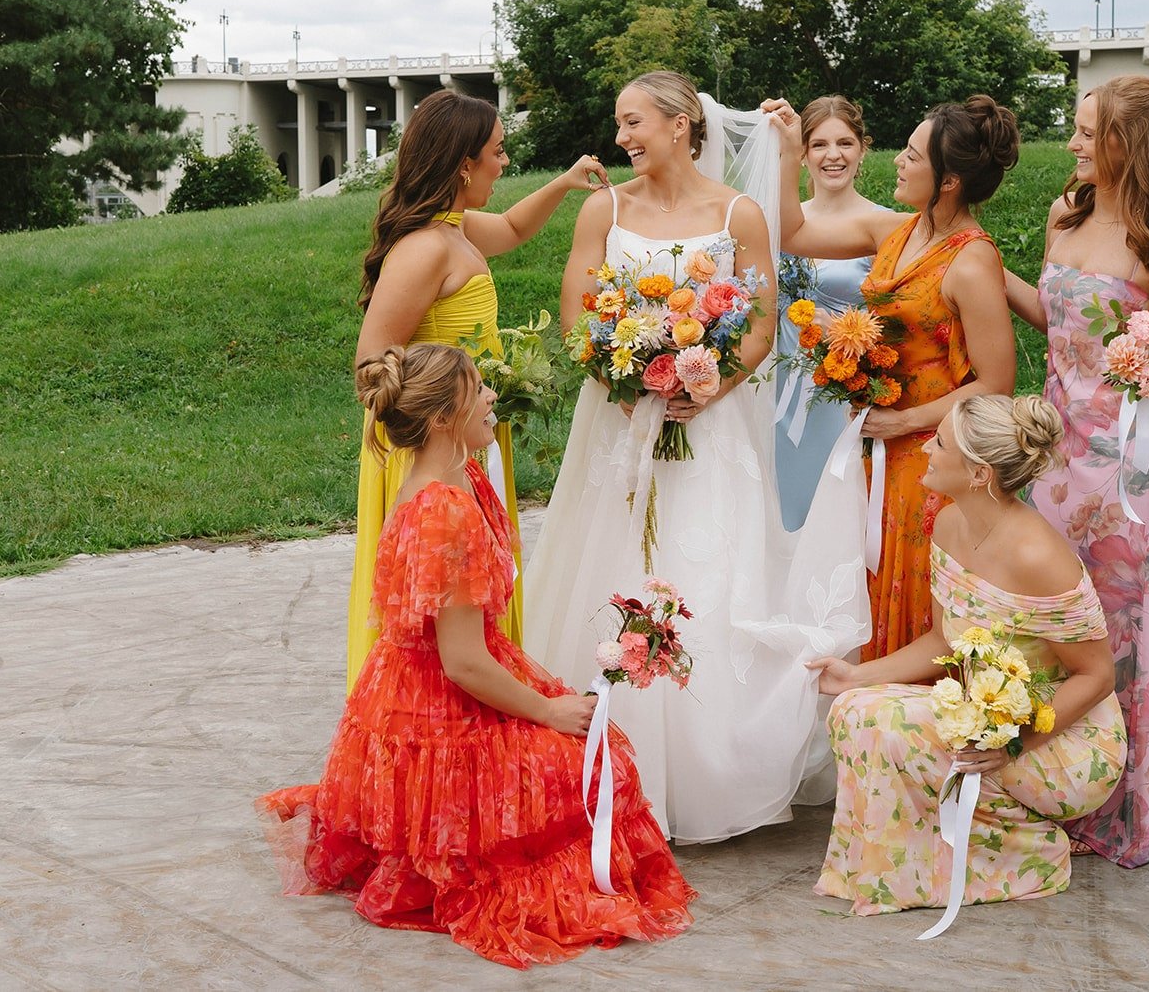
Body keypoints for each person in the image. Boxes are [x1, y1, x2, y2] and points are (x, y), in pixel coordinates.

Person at [258, 344, 695, 970]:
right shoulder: (443, 510)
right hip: (440, 699)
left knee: (588, 757)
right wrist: (546, 710)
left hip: (432, 678)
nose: (493, 397)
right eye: (479, 389)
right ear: (443, 418)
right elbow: (461, 662)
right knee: (593, 766)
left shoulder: (460, 476)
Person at [524, 71, 870, 843]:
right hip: (619, 423)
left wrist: (708, 386)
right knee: (610, 562)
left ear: (681, 124)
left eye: (634, 122)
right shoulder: (604, 209)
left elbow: (760, 321)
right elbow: (579, 312)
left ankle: (708, 770)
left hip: (711, 428)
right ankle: (609, 760)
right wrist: (620, 378)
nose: (622, 138)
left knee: (708, 569)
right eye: (620, 124)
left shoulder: (738, 212)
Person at [807, 394, 1125, 914]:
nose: (926, 449)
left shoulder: (1037, 557)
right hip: (985, 718)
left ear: (979, 474)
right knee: (852, 709)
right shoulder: (951, 523)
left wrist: (1015, 743)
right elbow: (944, 641)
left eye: (940, 443)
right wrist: (855, 676)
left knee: (884, 723)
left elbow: (1096, 676)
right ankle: (904, 872)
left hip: (1062, 740)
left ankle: (1031, 848)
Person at [1003, 75, 1149, 868]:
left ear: (1128, 143)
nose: (1074, 144)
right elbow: (1053, 321)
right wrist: (978, 263)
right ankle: (1044, 788)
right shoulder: (1066, 213)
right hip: (1055, 457)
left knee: (1121, 631)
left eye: (1089, 133)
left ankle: (1120, 811)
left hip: (1128, 468)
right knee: (1053, 622)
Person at [346, 90, 608, 691]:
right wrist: (452, 405)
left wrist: (565, 183)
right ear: (465, 164)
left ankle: (481, 698)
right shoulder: (425, 248)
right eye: (498, 150)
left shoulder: (456, 229)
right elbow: (371, 362)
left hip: (467, 428)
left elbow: (513, 228)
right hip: (432, 440)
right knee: (440, 599)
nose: (506, 162)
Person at [765, 94, 1019, 659]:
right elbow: (791, 232)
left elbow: (996, 384)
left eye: (912, 155)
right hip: (878, 441)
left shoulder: (971, 260)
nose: (898, 162)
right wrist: (786, 151)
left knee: (918, 584)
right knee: (873, 576)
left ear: (948, 181)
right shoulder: (898, 233)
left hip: (929, 448)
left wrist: (903, 421)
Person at [773, 95, 890, 531]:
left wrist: (844, 330)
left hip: (841, 388)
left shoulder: (885, 224)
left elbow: (899, 321)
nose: (833, 155)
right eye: (819, 144)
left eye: (844, 143)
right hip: (776, 383)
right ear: (803, 154)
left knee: (835, 511)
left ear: (862, 150)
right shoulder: (782, 221)